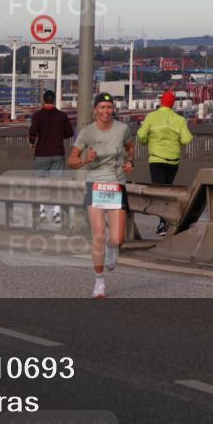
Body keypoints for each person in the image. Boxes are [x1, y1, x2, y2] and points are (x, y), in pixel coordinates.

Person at [68, 92, 135, 298]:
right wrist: (85, 160)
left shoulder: (123, 129)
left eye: (109, 107)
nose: (106, 111)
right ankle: (99, 283)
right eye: (102, 107)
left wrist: (130, 162)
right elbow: (71, 161)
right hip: (96, 184)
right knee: (98, 234)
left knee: (117, 238)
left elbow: (130, 149)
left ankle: (112, 249)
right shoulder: (87, 132)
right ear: (95, 110)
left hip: (116, 184)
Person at [136, 89, 192, 235]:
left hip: (156, 159)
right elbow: (186, 139)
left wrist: (146, 141)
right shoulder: (179, 120)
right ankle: (165, 222)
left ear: (161, 102)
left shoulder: (152, 117)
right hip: (173, 160)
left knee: (159, 192)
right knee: (167, 190)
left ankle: (162, 223)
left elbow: (141, 135)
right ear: (172, 104)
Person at [29, 89, 74, 225]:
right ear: (54, 100)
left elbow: (32, 132)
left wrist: (32, 143)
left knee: (40, 183)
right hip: (58, 153)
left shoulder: (37, 115)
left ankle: (42, 210)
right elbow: (70, 133)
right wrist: (60, 135)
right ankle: (57, 212)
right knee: (57, 184)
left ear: (43, 100)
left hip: (42, 153)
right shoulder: (62, 116)